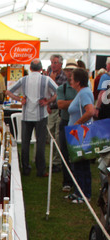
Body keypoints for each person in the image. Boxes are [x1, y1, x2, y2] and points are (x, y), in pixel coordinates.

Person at [6, 59, 58, 177]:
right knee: (40, 143)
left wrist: (20, 99)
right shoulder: (46, 79)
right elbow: (58, 91)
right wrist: (48, 101)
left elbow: (8, 92)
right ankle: (40, 170)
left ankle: (25, 168)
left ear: (30, 68)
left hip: (26, 114)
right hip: (41, 114)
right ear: (41, 69)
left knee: (25, 143)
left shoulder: (24, 80)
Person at [67, 67, 96, 204]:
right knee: (78, 164)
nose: (70, 80)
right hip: (77, 133)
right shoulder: (82, 92)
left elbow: (90, 111)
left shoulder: (84, 93)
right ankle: (79, 191)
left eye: (72, 78)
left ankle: (84, 194)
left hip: (80, 133)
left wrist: (77, 123)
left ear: (78, 81)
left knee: (81, 164)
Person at [56, 60, 78, 192]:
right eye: (68, 70)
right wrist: (77, 101)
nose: (70, 73)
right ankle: (67, 181)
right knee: (65, 153)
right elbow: (60, 105)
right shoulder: (62, 88)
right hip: (65, 122)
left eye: (72, 70)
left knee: (78, 154)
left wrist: (68, 103)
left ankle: (77, 180)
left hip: (78, 123)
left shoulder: (82, 87)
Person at [47, 54, 67, 173]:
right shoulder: (48, 74)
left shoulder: (63, 77)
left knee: (58, 135)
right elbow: (46, 91)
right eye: (52, 62)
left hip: (59, 109)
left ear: (60, 64)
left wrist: (52, 81)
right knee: (50, 135)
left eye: (55, 63)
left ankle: (57, 162)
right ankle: (53, 160)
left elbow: (58, 92)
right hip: (50, 108)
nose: (53, 65)